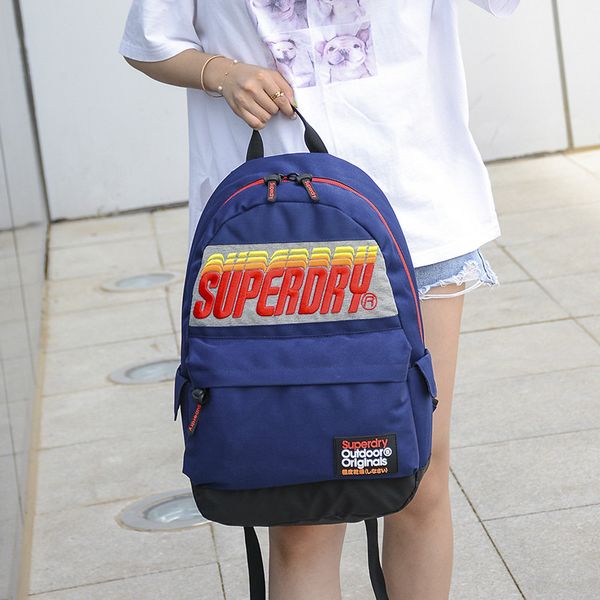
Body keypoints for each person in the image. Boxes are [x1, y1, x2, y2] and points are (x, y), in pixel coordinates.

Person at [119, 1, 519, 598]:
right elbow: (150, 40)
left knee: (420, 476)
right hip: (275, 237)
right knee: (302, 506)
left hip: (416, 209)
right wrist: (222, 74)